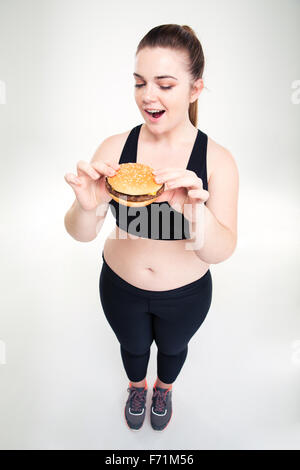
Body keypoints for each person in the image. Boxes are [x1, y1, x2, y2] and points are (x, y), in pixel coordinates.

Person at [64, 24, 239, 432]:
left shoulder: (217, 161)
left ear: (195, 89)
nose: (148, 96)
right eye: (140, 82)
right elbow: (81, 232)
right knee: (133, 348)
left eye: (165, 84)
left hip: (187, 296)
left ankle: (163, 388)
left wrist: (197, 214)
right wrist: (86, 205)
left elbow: (220, 250)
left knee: (174, 349)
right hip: (120, 287)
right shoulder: (114, 149)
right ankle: (137, 386)